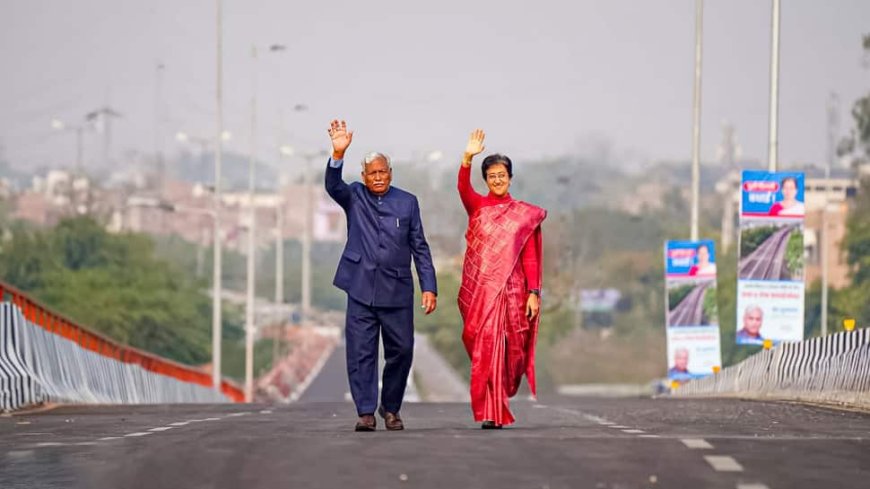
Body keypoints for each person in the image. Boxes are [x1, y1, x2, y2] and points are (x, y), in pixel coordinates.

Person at [324, 119, 438, 432]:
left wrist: (429, 286)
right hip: (360, 287)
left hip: (398, 291)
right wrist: (337, 153)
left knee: (401, 351)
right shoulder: (355, 196)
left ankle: (391, 408)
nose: (377, 177)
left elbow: (420, 247)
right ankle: (365, 412)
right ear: (363, 177)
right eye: (371, 173)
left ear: (390, 173)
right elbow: (333, 186)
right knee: (361, 353)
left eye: (382, 172)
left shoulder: (407, 202)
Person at [457, 129, 547, 429]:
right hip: (483, 295)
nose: (497, 180)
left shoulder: (523, 216)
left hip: (513, 293)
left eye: (502, 175)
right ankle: (491, 411)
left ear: (510, 177)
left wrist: (533, 292)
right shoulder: (477, 207)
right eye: (492, 176)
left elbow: (530, 258)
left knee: (511, 353)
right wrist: (468, 158)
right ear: (486, 180)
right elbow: (462, 188)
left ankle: (501, 401)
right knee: (486, 349)